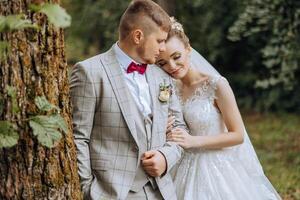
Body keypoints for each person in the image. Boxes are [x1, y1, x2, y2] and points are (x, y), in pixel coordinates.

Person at [70, 1, 188, 200]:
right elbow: (78, 137)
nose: (162, 48)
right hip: (110, 193)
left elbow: (179, 126)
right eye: (159, 41)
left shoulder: (161, 75)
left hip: (161, 192)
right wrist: (87, 190)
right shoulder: (90, 72)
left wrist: (166, 157)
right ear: (138, 36)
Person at [155, 17, 281, 200]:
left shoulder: (216, 85)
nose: (171, 66)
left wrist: (193, 141)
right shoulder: (168, 88)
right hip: (180, 165)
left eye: (176, 57)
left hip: (215, 167)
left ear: (188, 50)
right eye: (163, 63)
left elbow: (237, 135)